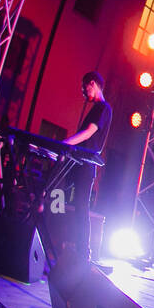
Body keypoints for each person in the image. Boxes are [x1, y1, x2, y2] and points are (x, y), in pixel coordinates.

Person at [62, 71, 112, 260]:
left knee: (80, 206)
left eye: (85, 88)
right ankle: (69, 244)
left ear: (92, 83)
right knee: (61, 197)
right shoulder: (97, 108)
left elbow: (90, 132)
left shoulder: (103, 108)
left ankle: (84, 252)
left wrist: (66, 142)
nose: (84, 93)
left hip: (85, 164)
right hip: (77, 162)